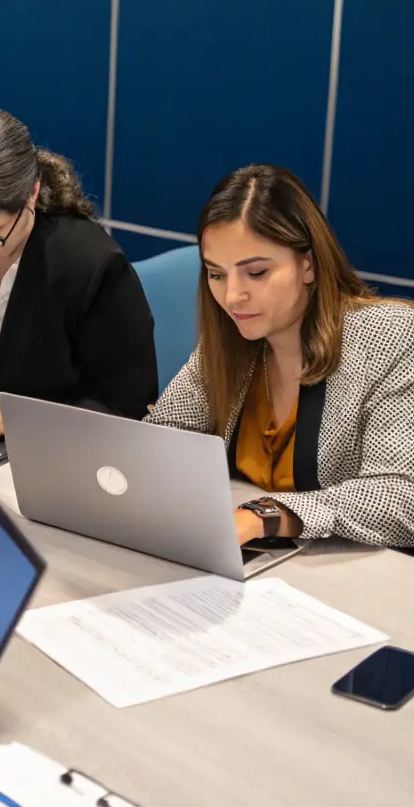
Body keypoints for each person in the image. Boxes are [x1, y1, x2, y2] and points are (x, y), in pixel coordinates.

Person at [147, 164, 414, 548]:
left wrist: (265, 516)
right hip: (258, 565)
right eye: (216, 275)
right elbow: (167, 435)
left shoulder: (390, 337)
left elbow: (399, 497)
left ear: (307, 264)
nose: (233, 296)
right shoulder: (230, 336)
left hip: (358, 578)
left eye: (255, 273)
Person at [0, 107, 157, 434]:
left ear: (32, 193)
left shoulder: (91, 265)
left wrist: (16, 419)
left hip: (61, 457)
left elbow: (127, 407)